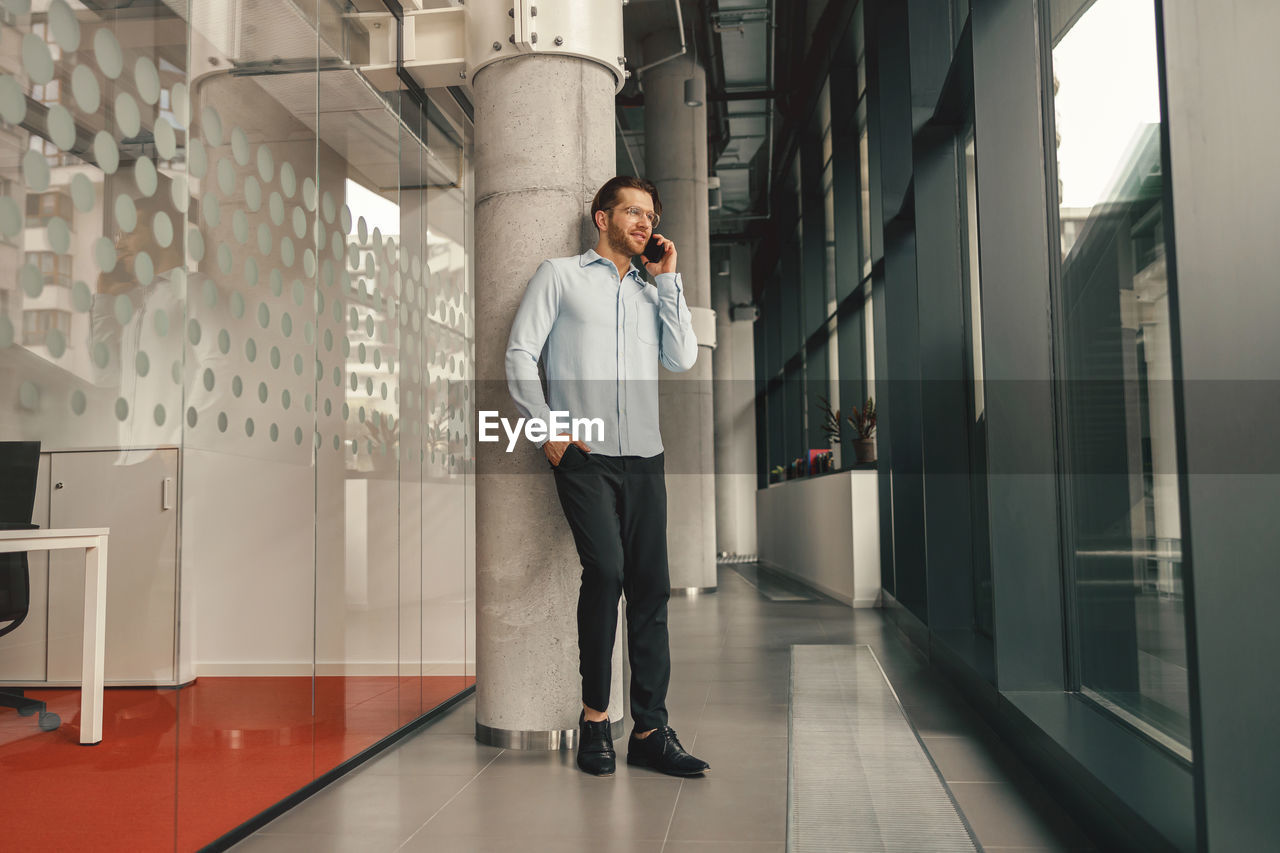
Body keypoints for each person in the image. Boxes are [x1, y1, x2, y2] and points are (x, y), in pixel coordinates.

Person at [505, 176, 710, 777]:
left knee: (650, 588)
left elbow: (683, 357)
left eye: (650, 215)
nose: (644, 223)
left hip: (646, 457)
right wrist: (549, 432)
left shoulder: (654, 291)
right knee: (608, 573)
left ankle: (649, 729)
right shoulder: (560, 276)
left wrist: (669, 278)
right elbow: (520, 352)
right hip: (586, 458)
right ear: (602, 218)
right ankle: (596, 720)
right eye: (631, 212)